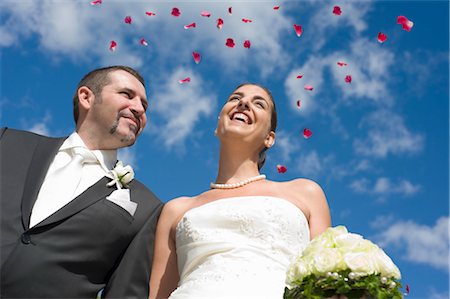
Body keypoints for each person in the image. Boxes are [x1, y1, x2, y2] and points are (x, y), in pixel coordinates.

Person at [149, 83, 331, 298]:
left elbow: (326, 282)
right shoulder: (175, 209)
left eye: (258, 104)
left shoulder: (305, 193)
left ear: (269, 138)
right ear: (218, 125)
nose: (243, 103)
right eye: (235, 98)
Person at [0, 65, 163, 298]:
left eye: (144, 106)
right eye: (127, 95)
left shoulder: (147, 207)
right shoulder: (7, 141)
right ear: (86, 97)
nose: (139, 108)